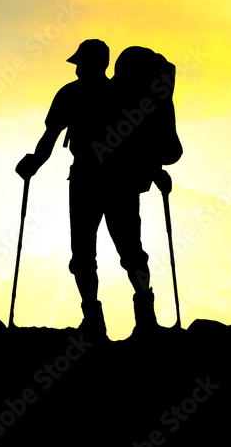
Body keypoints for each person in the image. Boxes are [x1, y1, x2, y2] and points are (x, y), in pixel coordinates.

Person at [15, 39, 169, 341]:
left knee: (107, 254)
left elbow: (51, 137)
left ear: (95, 64)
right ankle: (134, 320)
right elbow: (138, 141)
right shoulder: (118, 94)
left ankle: (104, 323)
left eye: (81, 63)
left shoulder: (73, 94)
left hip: (91, 181)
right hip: (114, 182)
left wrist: (35, 162)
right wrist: (156, 172)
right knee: (113, 253)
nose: (77, 69)